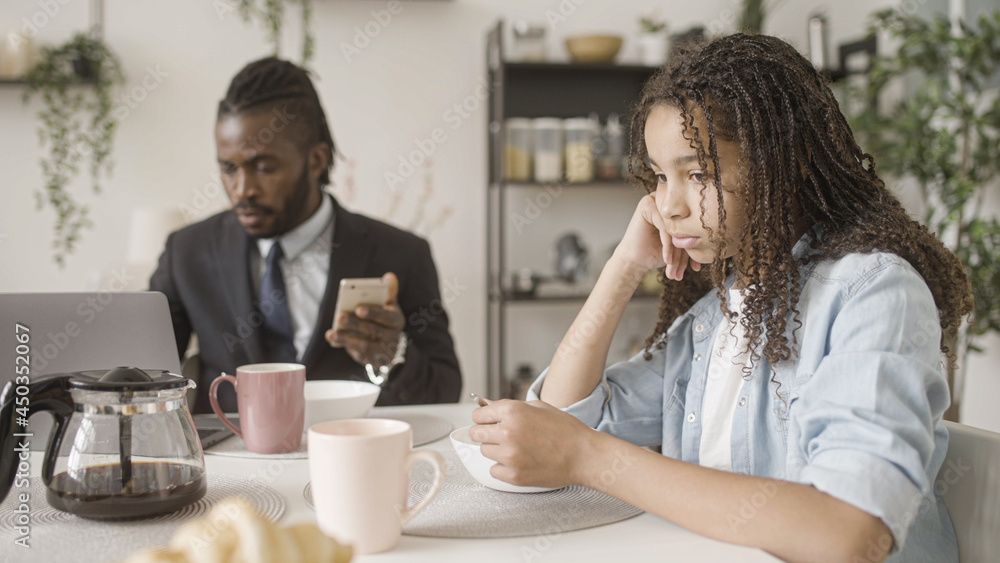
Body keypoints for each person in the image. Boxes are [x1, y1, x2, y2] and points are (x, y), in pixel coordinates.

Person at [470, 34, 970, 563]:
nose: (668, 205)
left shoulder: (874, 294)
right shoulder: (719, 315)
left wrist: (589, 458)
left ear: (784, 165)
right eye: (660, 178)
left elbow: (846, 532)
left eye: (698, 174)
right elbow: (564, 418)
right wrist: (622, 266)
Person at [150, 57, 462, 414]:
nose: (242, 190)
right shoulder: (188, 252)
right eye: (229, 168)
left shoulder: (401, 254)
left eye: (264, 167)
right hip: (226, 464)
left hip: (350, 459)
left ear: (315, 161)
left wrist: (394, 354)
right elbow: (141, 379)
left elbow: (445, 390)